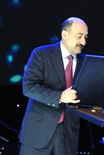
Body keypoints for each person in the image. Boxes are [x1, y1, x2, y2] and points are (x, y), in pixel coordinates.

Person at [19, 17, 88, 155]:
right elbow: (29, 87)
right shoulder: (41, 54)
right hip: (38, 131)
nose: (83, 42)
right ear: (64, 34)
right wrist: (60, 96)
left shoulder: (85, 62)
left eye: (85, 37)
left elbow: (88, 95)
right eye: (79, 36)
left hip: (68, 134)